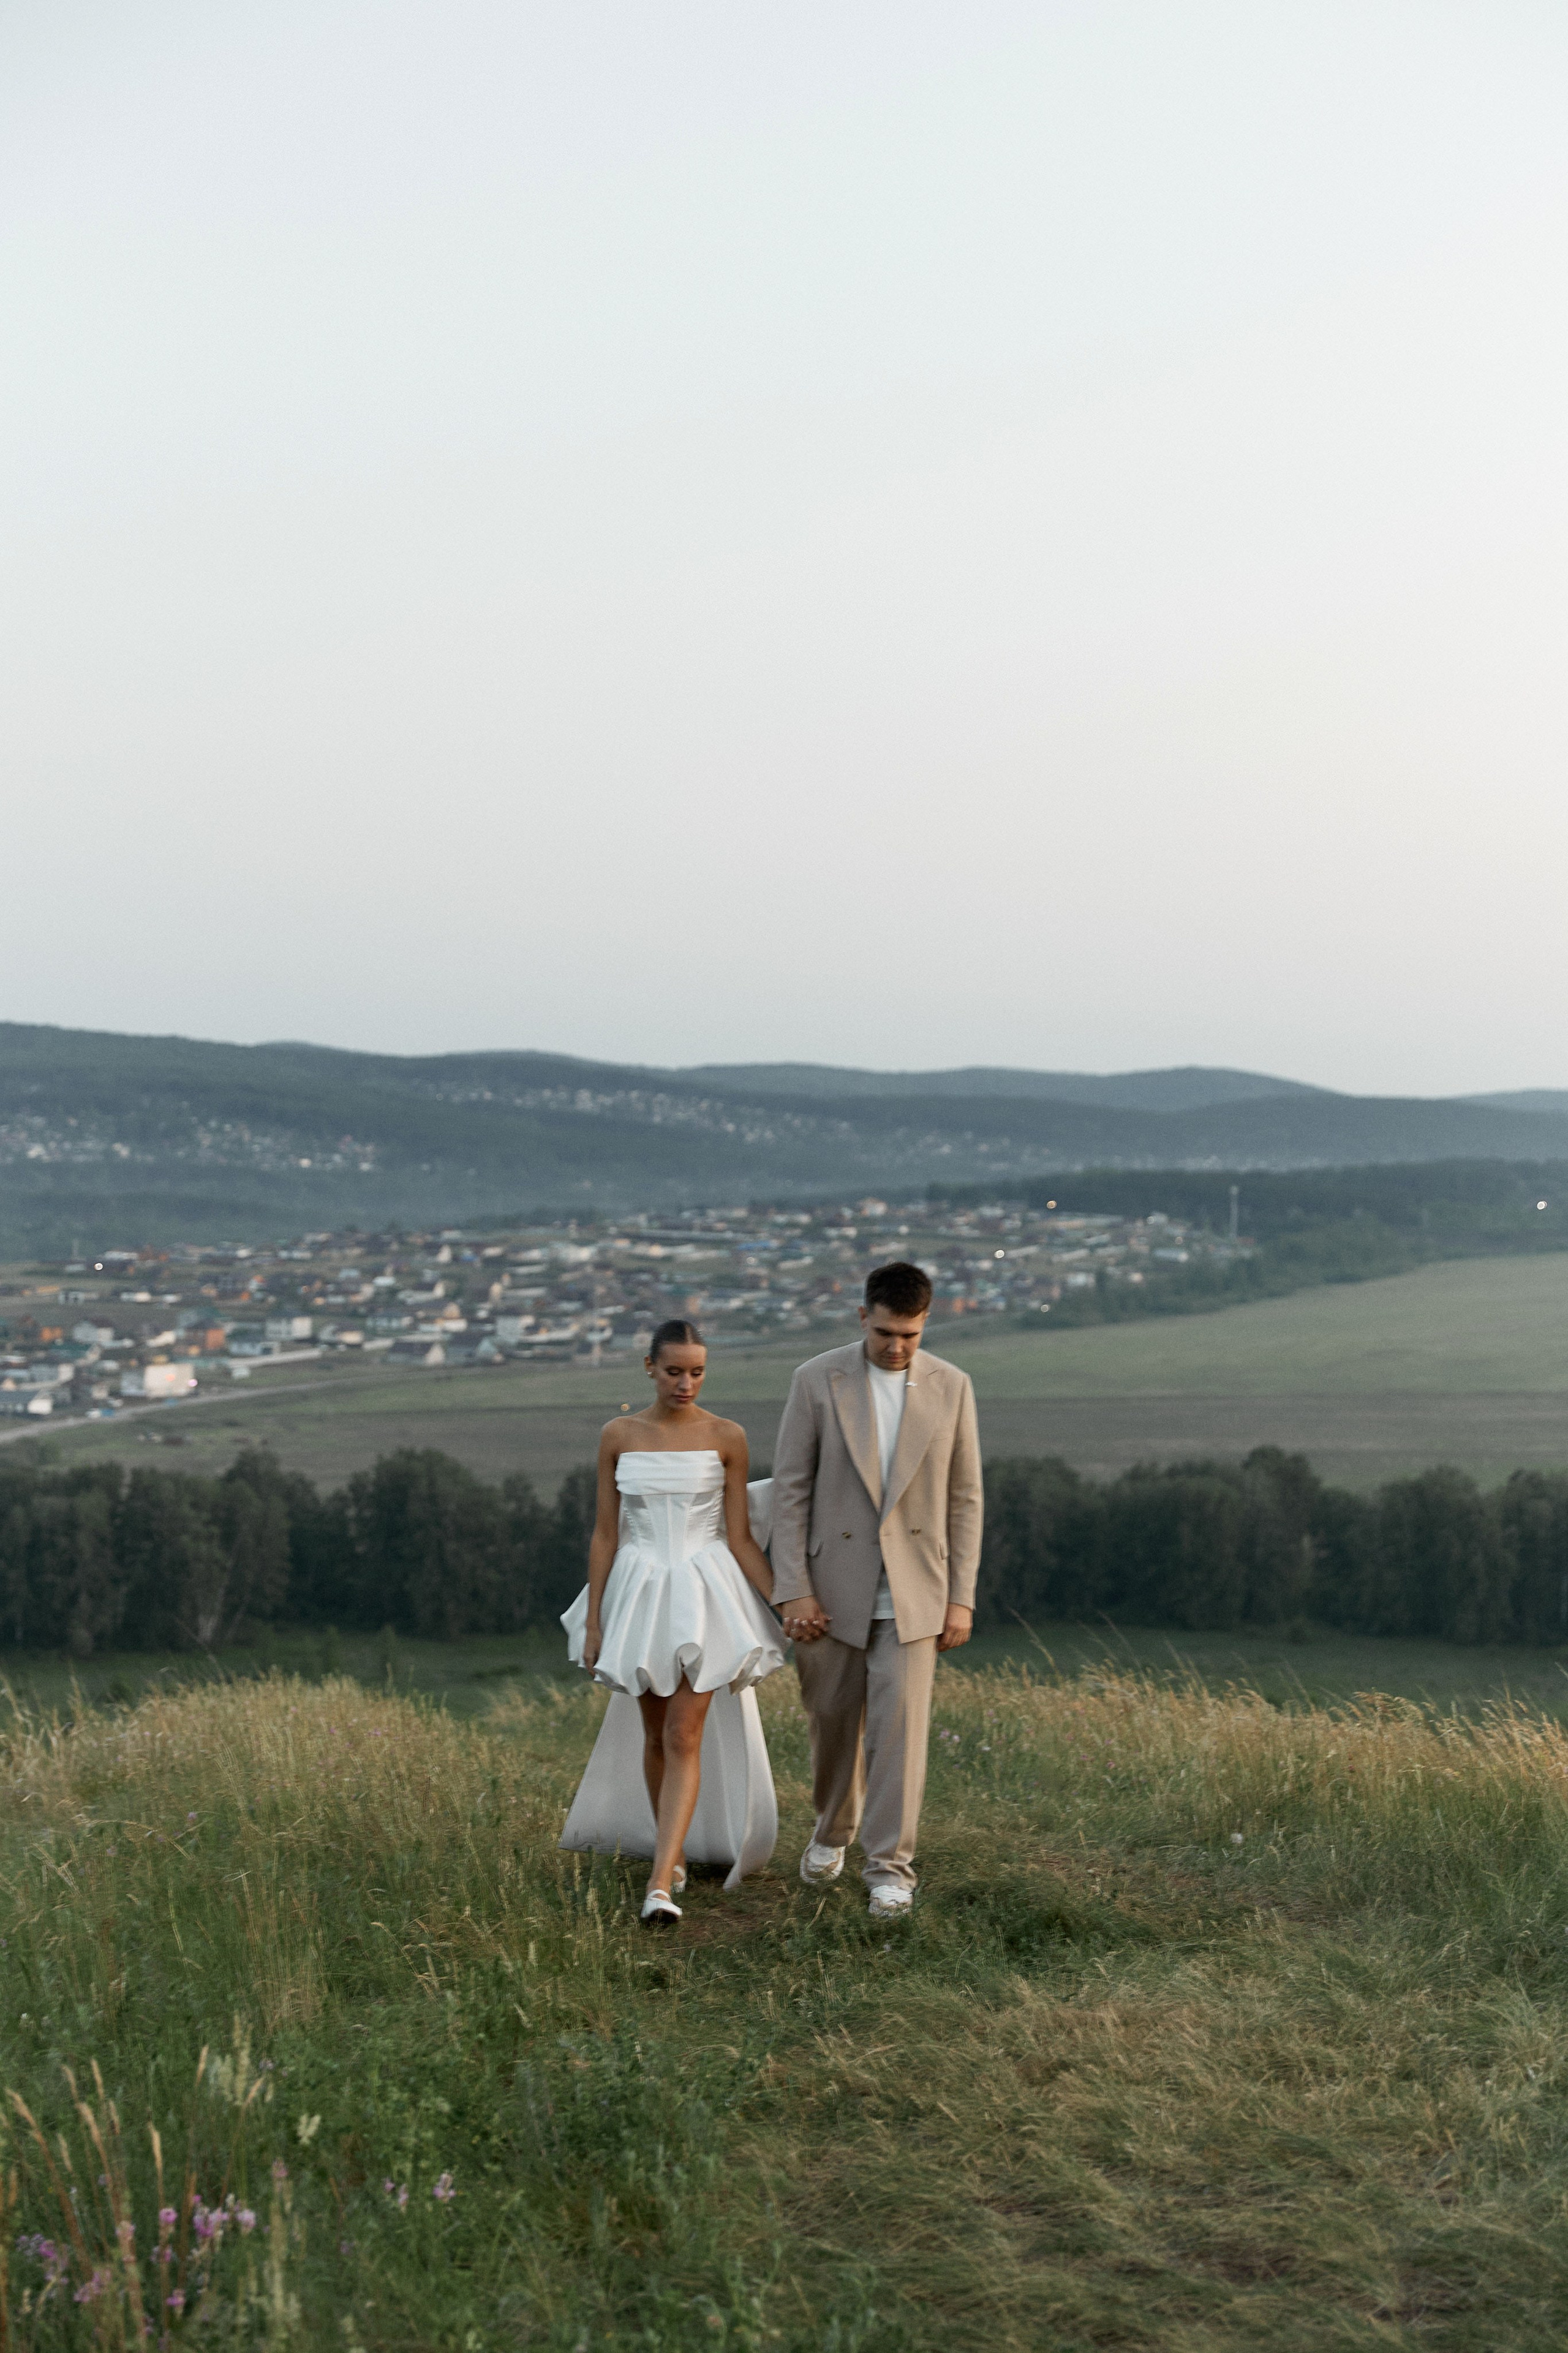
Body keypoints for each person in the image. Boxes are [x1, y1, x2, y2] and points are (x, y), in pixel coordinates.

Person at [769, 1262, 982, 1921]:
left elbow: (965, 1496)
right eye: (886, 1331)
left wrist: (961, 1597)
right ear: (862, 1316)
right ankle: (833, 1829)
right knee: (832, 1723)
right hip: (830, 1591)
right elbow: (789, 1490)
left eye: (911, 1335)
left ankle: (890, 1869)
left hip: (918, 1590)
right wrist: (793, 1590)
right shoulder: (816, 1379)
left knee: (899, 1733)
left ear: (926, 1324)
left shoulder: (953, 1386)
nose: (897, 1346)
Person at [560, 1319, 785, 1926]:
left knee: (685, 1733)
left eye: (697, 1372)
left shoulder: (727, 1436)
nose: (686, 1382)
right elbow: (607, 1533)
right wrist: (596, 1621)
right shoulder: (618, 1435)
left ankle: (660, 1886)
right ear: (649, 1369)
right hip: (639, 1588)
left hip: (706, 1591)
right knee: (656, 1733)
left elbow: (738, 1537)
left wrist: (784, 1604)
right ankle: (674, 1851)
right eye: (674, 1371)